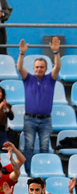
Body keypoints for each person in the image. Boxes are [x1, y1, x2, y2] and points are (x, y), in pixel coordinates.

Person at [17, 36, 61, 175]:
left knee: (44, 146)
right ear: (33, 68)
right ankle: (29, 172)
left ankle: (43, 171)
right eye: (37, 67)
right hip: (30, 119)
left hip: (46, 119)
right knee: (28, 146)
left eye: (42, 67)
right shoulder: (28, 78)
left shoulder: (51, 79)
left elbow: (58, 67)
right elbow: (19, 67)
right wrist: (22, 53)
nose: (39, 69)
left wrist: (56, 52)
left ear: (46, 68)